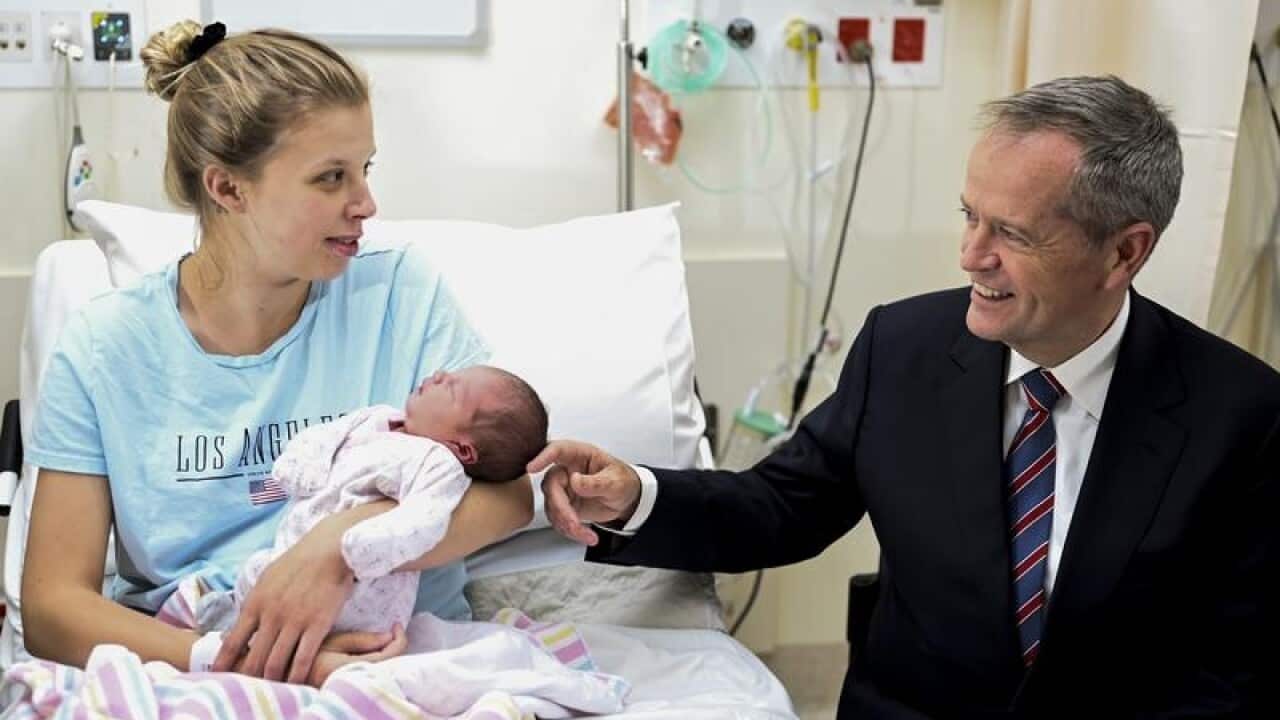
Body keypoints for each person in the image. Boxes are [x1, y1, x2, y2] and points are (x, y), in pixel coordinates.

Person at [530, 75, 1280, 717]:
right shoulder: (905, 349)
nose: (970, 256)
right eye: (969, 215)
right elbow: (783, 506)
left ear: (1125, 252)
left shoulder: (1242, 417)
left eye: (1012, 234)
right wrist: (636, 496)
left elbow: (1235, 671)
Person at [21, 21, 534, 688]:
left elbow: (512, 495)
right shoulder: (105, 349)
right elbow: (53, 606)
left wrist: (338, 551)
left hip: (399, 662)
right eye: (331, 178)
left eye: (365, 169)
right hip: (192, 668)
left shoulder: (399, 293)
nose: (366, 203)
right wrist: (235, 663)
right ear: (228, 189)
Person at [157, 365, 548, 642]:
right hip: (293, 550)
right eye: (451, 373)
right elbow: (327, 438)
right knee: (257, 575)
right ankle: (234, 623)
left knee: (352, 620)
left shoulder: (435, 464)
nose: (441, 374)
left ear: (462, 447)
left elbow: (424, 519)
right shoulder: (375, 420)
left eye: (454, 389)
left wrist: (360, 548)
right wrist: (300, 467)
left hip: (365, 584)